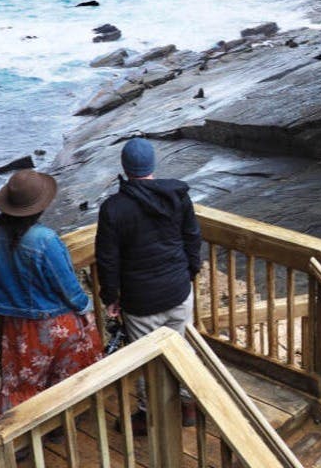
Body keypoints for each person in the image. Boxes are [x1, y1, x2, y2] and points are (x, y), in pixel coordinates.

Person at [95, 138, 202, 430]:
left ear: (126, 168)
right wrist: (190, 271)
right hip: (179, 289)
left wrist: (111, 297)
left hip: (141, 301)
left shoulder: (113, 209)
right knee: (182, 346)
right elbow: (192, 237)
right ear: (152, 165)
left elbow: (108, 260)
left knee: (147, 359)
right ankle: (188, 404)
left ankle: (148, 413)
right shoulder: (177, 195)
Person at [0, 169, 102, 414]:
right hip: (54, 323)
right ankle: (60, 424)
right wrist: (86, 308)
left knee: (20, 384)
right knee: (65, 378)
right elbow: (67, 286)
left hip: (17, 325)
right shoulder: (45, 239)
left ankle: (18, 437)